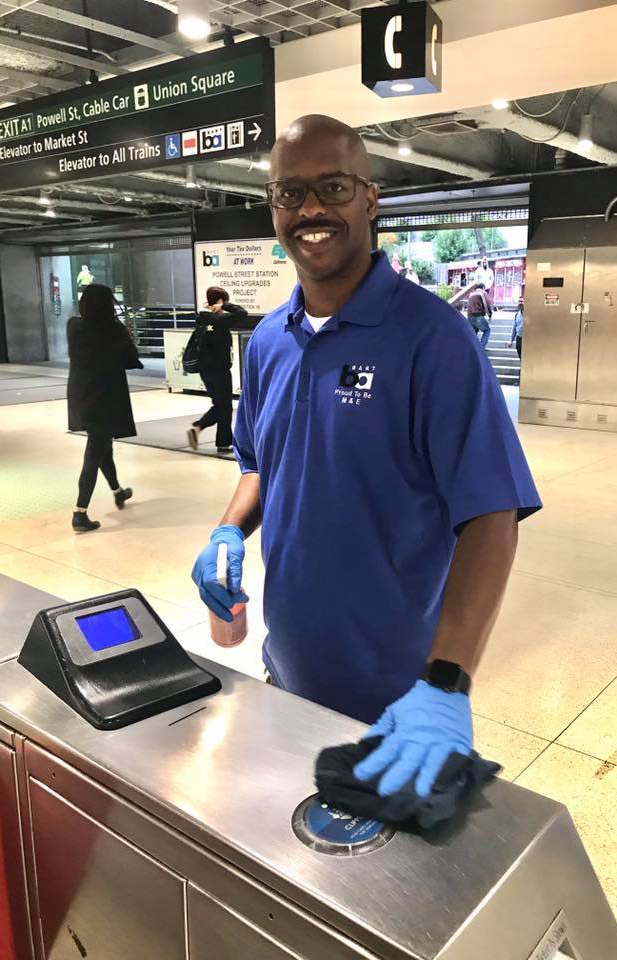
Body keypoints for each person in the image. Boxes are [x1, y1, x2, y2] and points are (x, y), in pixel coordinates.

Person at [191, 115, 541, 801]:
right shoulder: (267, 341)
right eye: (291, 194)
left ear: (370, 199)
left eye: (333, 186)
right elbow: (260, 466)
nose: (311, 209)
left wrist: (446, 683)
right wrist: (228, 531)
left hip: (398, 700)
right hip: (285, 673)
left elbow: (492, 514)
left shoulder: (431, 339)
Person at [67, 284, 142, 532]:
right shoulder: (115, 330)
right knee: (94, 453)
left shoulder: (74, 326)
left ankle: (118, 491)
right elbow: (131, 359)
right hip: (106, 397)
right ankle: (80, 512)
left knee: (101, 445)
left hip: (81, 394)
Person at [187, 287, 248, 455]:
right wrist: (225, 306)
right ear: (220, 300)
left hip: (205, 369)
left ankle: (201, 430)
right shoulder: (220, 319)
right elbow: (242, 313)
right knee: (225, 405)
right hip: (219, 369)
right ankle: (217, 439)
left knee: (220, 404)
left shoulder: (203, 318)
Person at [466, 282, 493, 348]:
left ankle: (473, 347)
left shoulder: (471, 294)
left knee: (474, 333)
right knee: (487, 330)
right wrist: (489, 314)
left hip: (470, 316)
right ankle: (481, 347)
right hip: (478, 315)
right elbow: (487, 304)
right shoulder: (482, 293)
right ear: (483, 287)